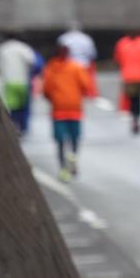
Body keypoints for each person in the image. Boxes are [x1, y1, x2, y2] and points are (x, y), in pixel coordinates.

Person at [39, 44, 96, 181]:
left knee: (60, 141)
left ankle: (63, 168)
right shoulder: (76, 67)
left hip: (58, 110)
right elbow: (86, 85)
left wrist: (53, 98)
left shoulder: (51, 68)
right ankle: (73, 157)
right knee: (74, 137)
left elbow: (46, 89)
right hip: (75, 108)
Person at [0, 35, 42, 134]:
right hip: (22, 82)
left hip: (8, 82)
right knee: (23, 107)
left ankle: (13, 126)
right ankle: (23, 128)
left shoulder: (1, 49)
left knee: (12, 106)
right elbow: (34, 63)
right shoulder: (23, 47)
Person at [112, 30, 140, 135]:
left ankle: (134, 119)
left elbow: (117, 59)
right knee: (138, 99)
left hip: (129, 76)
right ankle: (137, 118)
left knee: (133, 100)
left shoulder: (122, 43)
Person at [57, 20, 98, 89]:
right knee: (84, 87)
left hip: (68, 66)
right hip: (84, 66)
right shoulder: (86, 39)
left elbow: (59, 54)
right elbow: (92, 55)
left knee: (70, 87)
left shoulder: (63, 38)